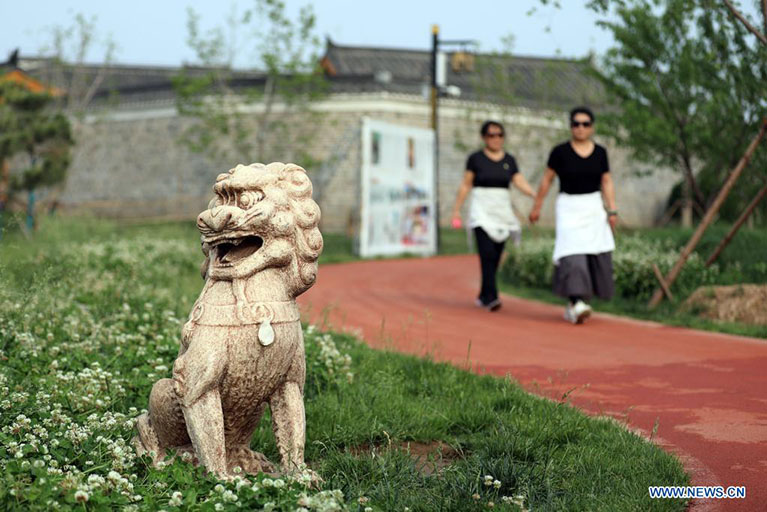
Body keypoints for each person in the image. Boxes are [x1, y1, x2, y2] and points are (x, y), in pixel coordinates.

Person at [529, 107, 618, 324]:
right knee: (572, 254)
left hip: (593, 207)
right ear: (571, 127)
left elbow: (606, 181)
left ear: (592, 127)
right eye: (576, 124)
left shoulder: (600, 153)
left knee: (593, 254)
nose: (580, 128)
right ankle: (576, 301)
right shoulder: (559, 152)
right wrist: (537, 206)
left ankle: (576, 304)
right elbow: (547, 180)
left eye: (585, 124)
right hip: (568, 207)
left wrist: (612, 209)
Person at [451, 120, 535, 311]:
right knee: (486, 253)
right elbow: (466, 184)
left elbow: (518, 180)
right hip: (481, 210)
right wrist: (456, 210)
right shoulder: (476, 159)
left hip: (502, 211)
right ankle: (492, 297)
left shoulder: (509, 160)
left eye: (499, 135)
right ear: (484, 138)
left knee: (496, 255)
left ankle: (483, 293)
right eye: (491, 135)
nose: (496, 139)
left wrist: (533, 194)